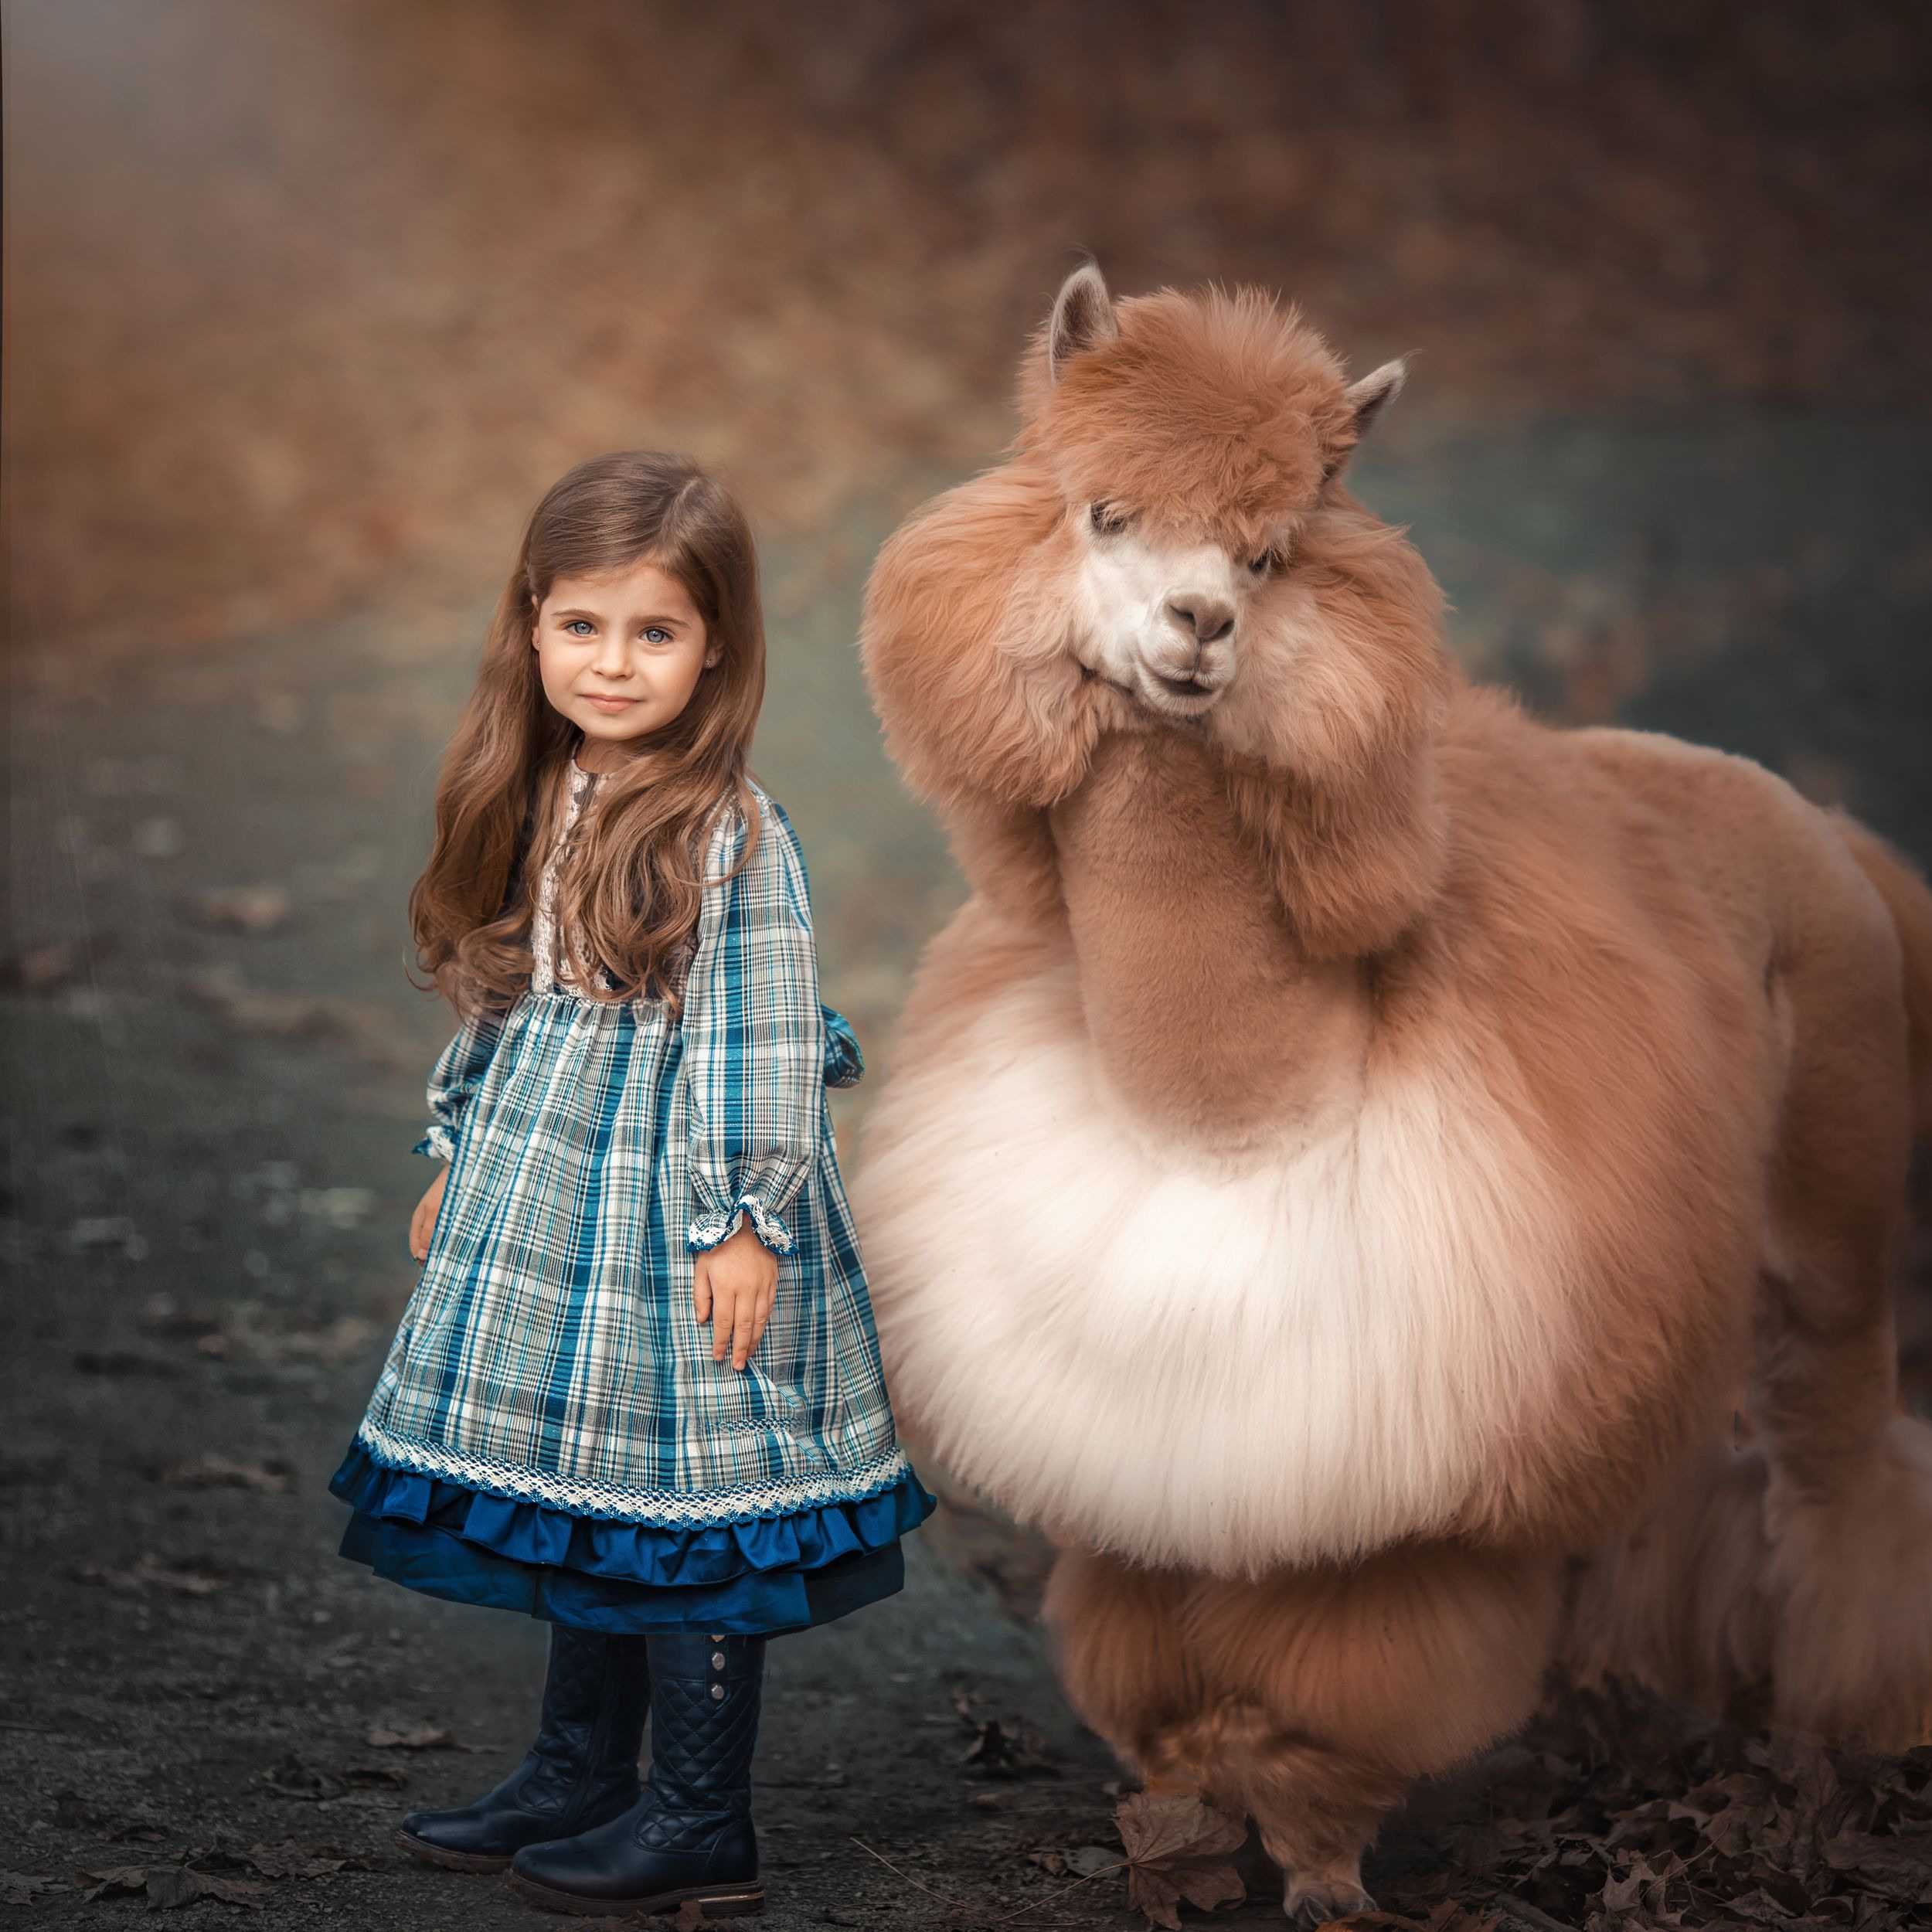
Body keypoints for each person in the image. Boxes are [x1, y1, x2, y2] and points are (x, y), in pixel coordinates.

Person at [325, 449, 935, 1919]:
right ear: (531, 624)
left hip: (679, 1212)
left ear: (714, 646)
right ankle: (574, 1768)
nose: (613, 663)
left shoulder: (729, 832)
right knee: (593, 1490)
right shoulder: (541, 790)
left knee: (692, 1496)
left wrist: (741, 1220)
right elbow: (507, 1000)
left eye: (655, 632)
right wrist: (458, 1146)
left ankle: (696, 1810)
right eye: (583, 626)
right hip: (551, 1201)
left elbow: (757, 1036)